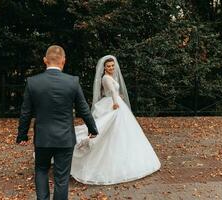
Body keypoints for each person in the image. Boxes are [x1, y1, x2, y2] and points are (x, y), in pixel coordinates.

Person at [16, 45, 99, 200]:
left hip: (42, 138)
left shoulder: (33, 82)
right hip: (65, 138)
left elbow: (25, 112)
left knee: (41, 170)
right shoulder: (72, 82)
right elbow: (84, 109)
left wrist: (22, 135)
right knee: (61, 177)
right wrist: (92, 128)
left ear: (45, 60)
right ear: (64, 61)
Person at [71, 55, 161, 185]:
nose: (111, 68)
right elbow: (112, 91)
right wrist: (115, 102)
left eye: (113, 66)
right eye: (108, 66)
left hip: (115, 101)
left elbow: (113, 91)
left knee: (121, 131)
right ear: (104, 68)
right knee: (110, 129)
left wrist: (118, 97)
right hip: (113, 104)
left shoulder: (110, 77)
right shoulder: (106, 78)